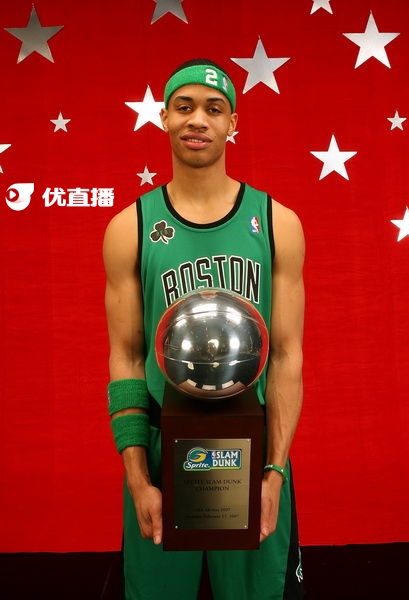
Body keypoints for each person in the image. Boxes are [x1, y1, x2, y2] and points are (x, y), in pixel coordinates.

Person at [103, 58, 305, 599]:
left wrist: (274, 473)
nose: (198, 120)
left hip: (252, 449)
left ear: (232, 122)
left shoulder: (278, 222)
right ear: (164, 118)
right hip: (161, 452)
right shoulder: (130, 228)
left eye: (214, 109)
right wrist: (138, 478)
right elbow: (126, 356)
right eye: (184, 107)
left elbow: (287, 355)